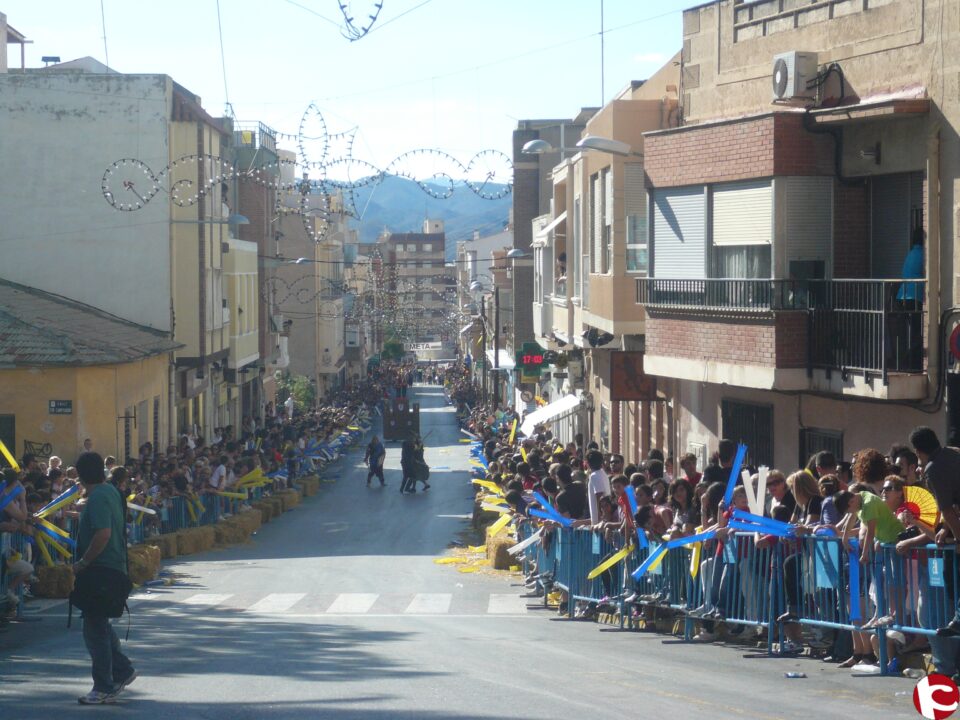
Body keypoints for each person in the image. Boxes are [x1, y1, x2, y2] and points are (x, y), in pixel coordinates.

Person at [73, 451, 136, 705]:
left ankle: (103, 685)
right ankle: (122, 670)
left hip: (100, 568)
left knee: (94, 629)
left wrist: (83, 562)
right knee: (100, 624)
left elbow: (103, 534)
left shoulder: (98, 497)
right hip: (112, 566)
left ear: (81, 475)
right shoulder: (109, 491)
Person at [909, 426, 960, 637]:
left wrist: (958, 540)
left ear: (919, 451)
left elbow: (947, 509)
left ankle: (958, 620)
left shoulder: (933, 468)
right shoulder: (953, 453)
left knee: (954, 577)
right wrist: (948, 529)